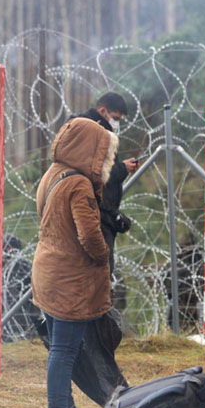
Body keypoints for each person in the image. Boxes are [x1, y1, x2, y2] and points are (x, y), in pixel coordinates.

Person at [32, 118, 118, 408]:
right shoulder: (79, 184)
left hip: (49, 270)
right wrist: (103, 257)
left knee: (60, 346)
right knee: (64, 350)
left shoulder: (54, 173)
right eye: (104, 152)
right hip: (70, 279)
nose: (107, 159)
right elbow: (89, 235)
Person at [68, 92, 139, 275]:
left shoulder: (99, 131)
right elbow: (95, 174)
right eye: (116, 118)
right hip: (94, 215)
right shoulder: (92, 132)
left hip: (101, 215)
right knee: (98, 276)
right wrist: (122, 169)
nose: (117, 123)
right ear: (102, 110)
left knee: (98, 278)